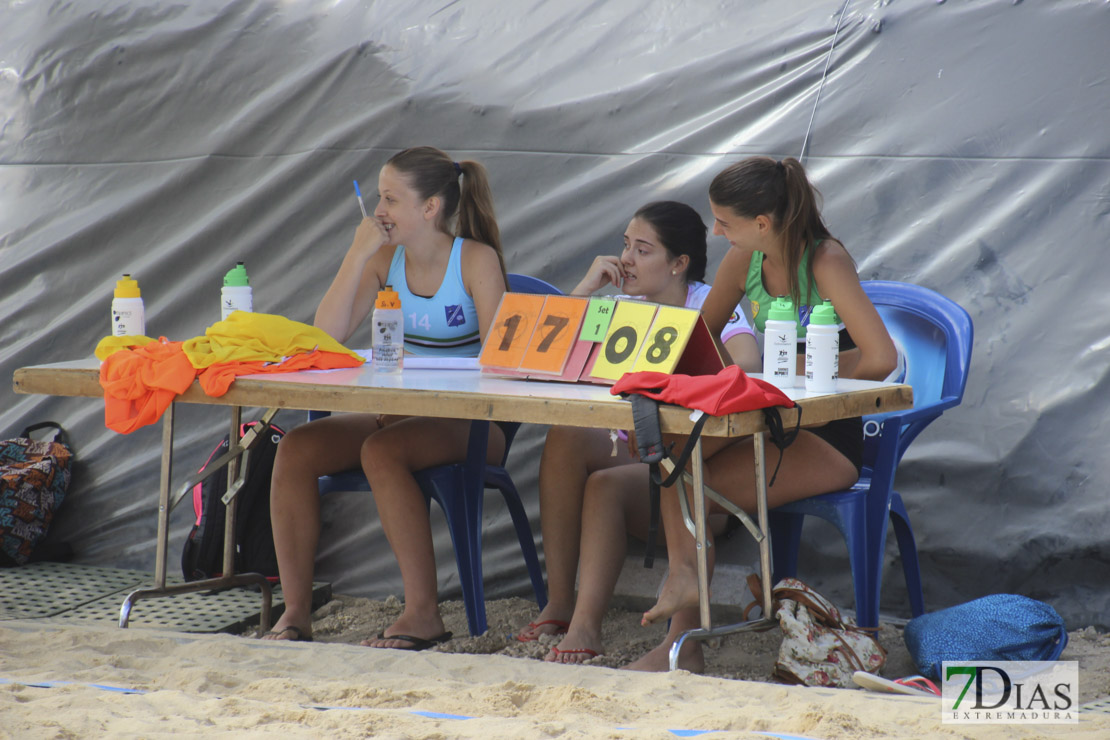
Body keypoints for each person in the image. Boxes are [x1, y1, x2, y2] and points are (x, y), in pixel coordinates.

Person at [612, 156, 897, 672]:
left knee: (685, 478)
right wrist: (729, 376)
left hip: (827, 436)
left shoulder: (825, 260)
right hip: (771, 421)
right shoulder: (743, 262)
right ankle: (684, 601)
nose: (716, 232)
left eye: (724, 222)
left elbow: (882, 358)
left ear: (762, 224)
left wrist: (806, 368)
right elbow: (694, 342)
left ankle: (684, 630)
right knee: (673, 452)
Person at [263, 146, 508, 648]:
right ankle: (295, 614)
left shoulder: (475, 260)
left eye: (391, 199)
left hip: (474, 427)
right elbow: (325, 336)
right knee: (297, 447)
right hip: (397, 417)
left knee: (382, 449)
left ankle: (423, 613)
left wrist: (420, 398)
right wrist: (356, 255)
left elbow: (502, 362)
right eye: (378, 197)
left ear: (430, 208)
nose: (379, 211)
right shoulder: (380, 259)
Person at [512, 201, 761, 658]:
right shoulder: (622, 303)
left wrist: (688, 366)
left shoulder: (706, 301)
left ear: (679, 264)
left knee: (608, 484)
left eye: (642, 250)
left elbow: (748, 363)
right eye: (625, 245)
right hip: (640, 449)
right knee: (565, 435)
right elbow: (546, 353)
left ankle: (588, 628)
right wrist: (587, 288)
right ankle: (561, 602)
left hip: (695, 462)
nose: (626, 258)